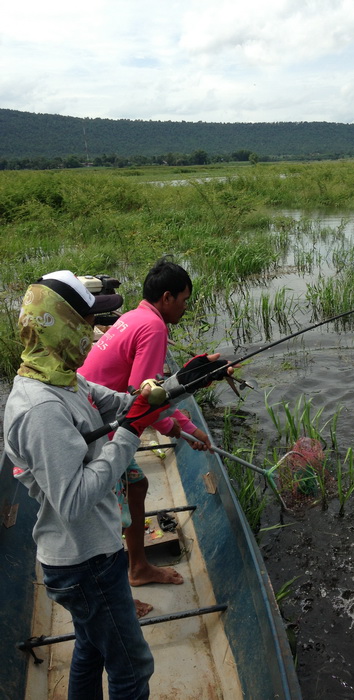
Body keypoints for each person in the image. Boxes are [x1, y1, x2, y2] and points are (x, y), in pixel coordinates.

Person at [3, 270, 229, 699]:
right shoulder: (40, 410)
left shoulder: (63, 379)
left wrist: (184, 381)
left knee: (89, 648)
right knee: (132, 667)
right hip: (84, 561)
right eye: (86, 324)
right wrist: (128, 434)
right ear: (61, 325)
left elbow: (128, 402)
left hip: (90, 551)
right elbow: (72, 501)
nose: (94, 333)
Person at [78, 258, 212, 592]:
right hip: (95, 429)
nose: (184, 307)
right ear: (167, 297)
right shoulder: (153, 328)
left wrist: (183, 427)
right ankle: (124, 578)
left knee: (136, 486)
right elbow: (145, 399)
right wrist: (184, 430)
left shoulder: (133, 317)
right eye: (183, 300)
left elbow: (148, 395)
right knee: (111, 504)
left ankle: (136, 565)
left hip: (89, 413)